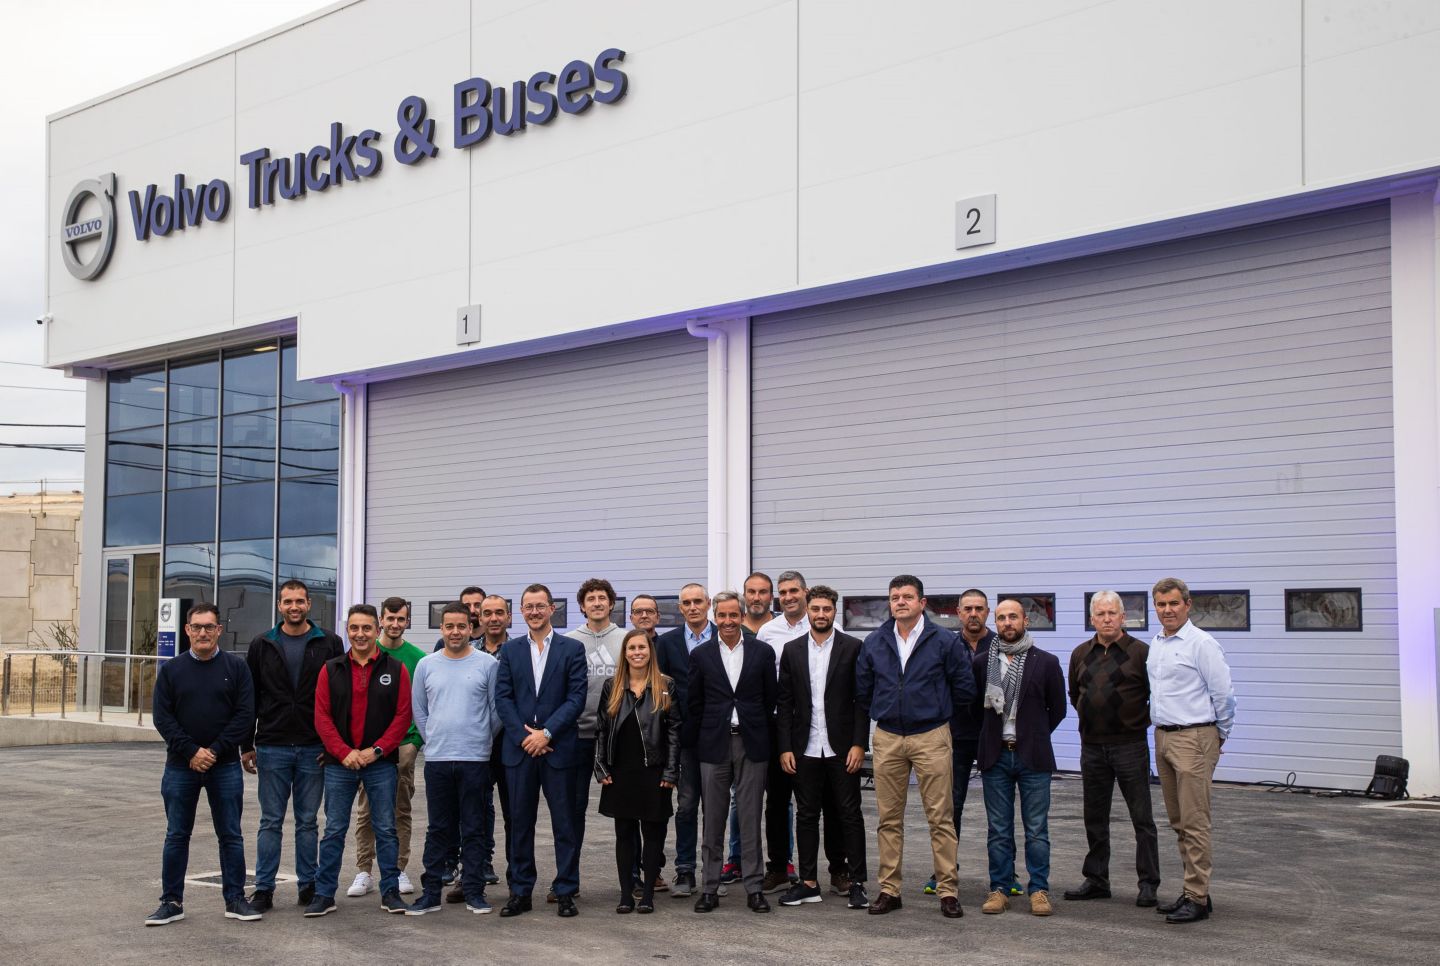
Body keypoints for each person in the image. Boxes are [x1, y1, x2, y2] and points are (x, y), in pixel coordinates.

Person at [855, 575, 974, 919]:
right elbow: (863, 689)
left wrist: (936, 712)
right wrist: (885, 710)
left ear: (922, 603)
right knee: (888, 819)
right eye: (895, 597)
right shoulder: (875, 642)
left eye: (907, 596)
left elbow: (964, 687)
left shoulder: (944, 641)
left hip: (931, 736)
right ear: (889, 603)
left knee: (941, 817)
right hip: (888, 737)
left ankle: (947, 891)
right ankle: (889, 890)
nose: (900, 602)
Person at [147, 604, 258, 925]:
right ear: (187, 630)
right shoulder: (171, 670)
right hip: (181, 766)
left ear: (219, 630)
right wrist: (191, 751)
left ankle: (235, 899)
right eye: (197, 627)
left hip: (225, 766)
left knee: (231, 835)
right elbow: (162, 718)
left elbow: (245, 715)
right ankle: (171, 902)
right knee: (177, 835)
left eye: (209, 627)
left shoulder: (236, 668)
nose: (203, 633)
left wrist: (215, 750)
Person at [241, 578, 345, 912]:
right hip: (272, 745)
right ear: (279, 606)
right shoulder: (262, 644)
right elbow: (249, 697)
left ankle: (308, 886)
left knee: (308, 821)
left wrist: (333, 745)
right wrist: (246, 744)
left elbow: (339, 698)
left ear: (309, 604)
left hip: (314, 747)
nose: (294, 607)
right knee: (270, 821)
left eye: (300, 601)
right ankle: (264, 890)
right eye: (288, 601)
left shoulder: (329, 642)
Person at [307, 604, 414, 917]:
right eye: (354, 628)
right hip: (339, 765)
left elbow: (402, 716)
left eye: (367, 628)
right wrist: (344, 752)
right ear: (347, 631)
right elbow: (322, 717)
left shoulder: (396, 669)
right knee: (334, 830)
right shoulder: (331, 669)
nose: (360, 634)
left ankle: (390, 893)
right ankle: (324, 894)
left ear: (377, 630)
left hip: (380, 764)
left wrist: (376, 750)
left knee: (386, 829)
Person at [493, 583, 588, 918]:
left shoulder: (572, 649)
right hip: (520, 750)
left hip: (558, 748)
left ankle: (565, 890)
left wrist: (546, 734)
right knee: (520, 823)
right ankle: (520, 892)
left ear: (551, 609)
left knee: (565, 824)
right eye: (528, 607)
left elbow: (576, 697)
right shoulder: (510, 650)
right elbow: (503, 698)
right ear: (521, 611)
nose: (534, 612)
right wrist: (526, 737)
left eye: (540, 606)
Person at [775, 586, 870, 911]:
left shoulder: (853, 647)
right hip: (804, 747)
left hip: (842, 747)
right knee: (806, 815)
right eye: (815, 609)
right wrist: (785, 747)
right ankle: (808, 883)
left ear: (834, 611)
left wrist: (859, 743)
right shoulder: (792, 650)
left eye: (826, 609)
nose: (820, 614)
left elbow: (861, 701)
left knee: (849, 814)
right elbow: (785, 703)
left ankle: (857, 883)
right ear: (808, 611)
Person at [1064, 590, 1160, 908]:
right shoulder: (1080, 653)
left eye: (1112, 613)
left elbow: (1155, 694)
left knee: (1142, 818)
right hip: (1092, 748)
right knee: (1094, 817)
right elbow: (1074, 693)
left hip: (1130, 746)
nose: (1107, 619)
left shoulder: (1141, 653)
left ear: (1123, 617)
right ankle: (1097, 880)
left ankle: (1148, 883)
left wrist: (1134, 721)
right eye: (1100, 614)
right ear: (1092, 619)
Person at [1148, 576, 1236, 924]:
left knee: (1195, 821)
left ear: (1188, 604)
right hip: (1164, 737)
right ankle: (1193, 890)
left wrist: (1218, 736)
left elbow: (1224, 695)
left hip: (1194, 737)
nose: (1167, 610)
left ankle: (1197, 897)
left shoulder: (1202, 644)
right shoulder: (1157, 643)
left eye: (1173, 603)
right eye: (1161, 604)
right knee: (1179, 820)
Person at [406, 602, 501, 916]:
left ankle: (474, 891)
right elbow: (419, 710)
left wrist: (480, 738)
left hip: (475, 759)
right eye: (449, 626)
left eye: (461, 626)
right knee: (438, 829)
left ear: (470, 628)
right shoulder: (426, 665)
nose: (455, 632)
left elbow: (496, 711)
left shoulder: (487, 664)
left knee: (474, 828)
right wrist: (433, 739)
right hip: (437, 759)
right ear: (442, 629)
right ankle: (431, 893)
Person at [685, 591, 777, 914]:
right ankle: (709, 887)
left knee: (750, 817)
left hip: (751, 743)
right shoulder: (701, 655)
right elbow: (694, 703)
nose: (727, 621)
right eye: (722, 615)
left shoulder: (762, 652)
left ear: (741, 616)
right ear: (715, 617)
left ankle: (754, 888)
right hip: (714, 744)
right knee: (712, 819)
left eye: (733, 615)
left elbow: (770, 699)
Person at [975, 598, 1067, 917]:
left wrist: (1033, 734)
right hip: (996, 756)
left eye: (1013, 617)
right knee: (998, 829)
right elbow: (973, 711)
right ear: (995, 623)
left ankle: (1038, 890)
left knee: (1037, 829)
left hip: (1033, 757)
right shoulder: (982, 663)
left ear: (1025, 621)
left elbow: (1058, 709)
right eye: (1001, 618)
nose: (1007, 623)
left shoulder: (1046, 662)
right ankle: (1000, 889)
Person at [595, 628, 681, 913]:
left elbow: (674, 732)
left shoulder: (665, 685)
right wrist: (600, 766)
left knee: (653, 834)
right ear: (625, 653)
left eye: (642, 647)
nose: (637, 653)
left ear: (650, 651)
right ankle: (625, 895)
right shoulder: (612, 686)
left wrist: (671, 772)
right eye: (631, 648)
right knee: (624, 834)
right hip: (621, 771)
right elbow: (601, 729)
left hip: (653, 771)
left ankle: (647, 896)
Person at [348, 597, 426, 899]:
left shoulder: (417, 659)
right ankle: (364, 870)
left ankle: (398, 868)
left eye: (401, 619)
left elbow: (420, 706)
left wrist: (415, 742)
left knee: (400, 809)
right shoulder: (366, 652)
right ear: (381, 620)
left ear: (408, 621)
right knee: (367, 810)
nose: (395, 624)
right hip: (370, 749)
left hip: (403, 745)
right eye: (390, 618)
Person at [927, 588, 999, 896]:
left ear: (987, 612)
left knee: (998, 810)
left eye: (979, 609)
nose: (973, 614)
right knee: (950, 807)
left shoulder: (1001, 645)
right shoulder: (945, 644)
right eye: (967, 609)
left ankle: (1003, 875)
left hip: (992, 736)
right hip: (954, 736)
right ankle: (944, 871)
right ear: (958, 613)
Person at [562, 578, 625, 901]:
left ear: (611, 603)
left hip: (617, 738)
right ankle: (567, 881)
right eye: (591, 599)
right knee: (572, 812)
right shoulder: (568, 642)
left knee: (626, 811)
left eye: (602, 598)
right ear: (582, 606)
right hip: (576, 736)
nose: (597, 603)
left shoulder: (627, 639)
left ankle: (632, 878)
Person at [653, 582, 714, 898]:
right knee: (687, 806)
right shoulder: (667, 643)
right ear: (680, 608)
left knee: (716, 809)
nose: (693, 607)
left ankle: (714, 872)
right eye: (686, 603)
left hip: (717, 737)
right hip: (684, 739)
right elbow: (660, 690)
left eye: (697, 601)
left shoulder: (723, 636)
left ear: (708, 603)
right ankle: (685, 871)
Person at [434, 585, 486, 652]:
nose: (472, 610)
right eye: (467, 606)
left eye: (477, 605)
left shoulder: (493, 640)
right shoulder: (443, 644)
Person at [741, 571, 774, 637]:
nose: (756, 598)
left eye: (762, 592)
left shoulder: (784, 625)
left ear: (771, 598)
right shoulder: (734, 628)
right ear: (744, 597)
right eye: (751, 592)